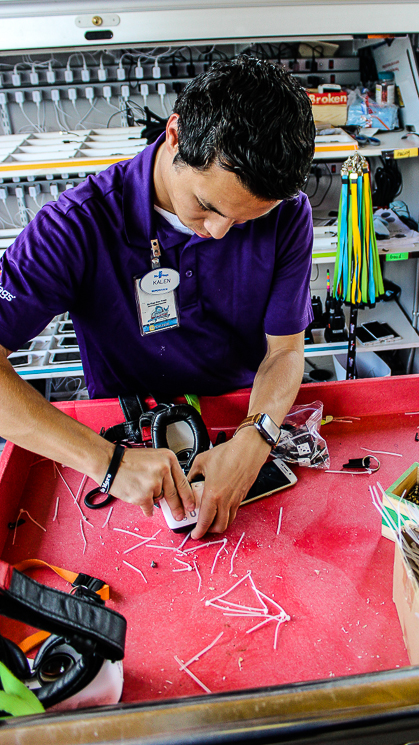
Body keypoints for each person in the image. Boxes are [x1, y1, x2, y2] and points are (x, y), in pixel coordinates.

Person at [0, 56, 316, 539]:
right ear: (175, 135)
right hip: (127, 446)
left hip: (243, 418)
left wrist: (257, 437)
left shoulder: (288, 214)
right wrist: (106, 462)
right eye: (207, 207)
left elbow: (286, 351)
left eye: (244, 220)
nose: (217, 232)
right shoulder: (76, 226)